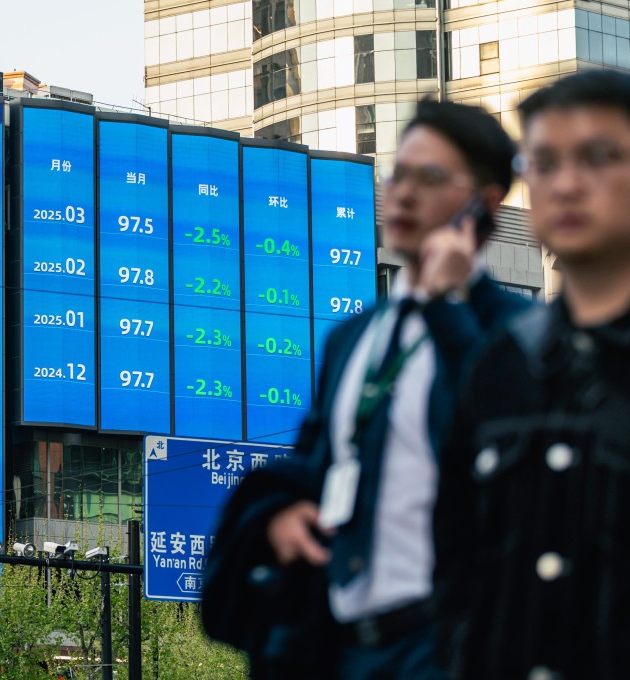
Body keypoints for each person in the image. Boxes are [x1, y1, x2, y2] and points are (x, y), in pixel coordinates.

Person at [201, 100, 529, 679]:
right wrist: (280, 514)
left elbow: (502, 447)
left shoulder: (515, 331)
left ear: (486, 200)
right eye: (398, 174)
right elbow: (314, 461)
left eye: (430, 178)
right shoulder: (354, 337)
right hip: (336, 644)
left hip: (447, 644)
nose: (402, 194)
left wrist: (448, 307)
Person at [436, 70, 630, 679]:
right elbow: (453, 564)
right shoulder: (501, 367)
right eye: (543, 161)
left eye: (598, 157)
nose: (566, 184)